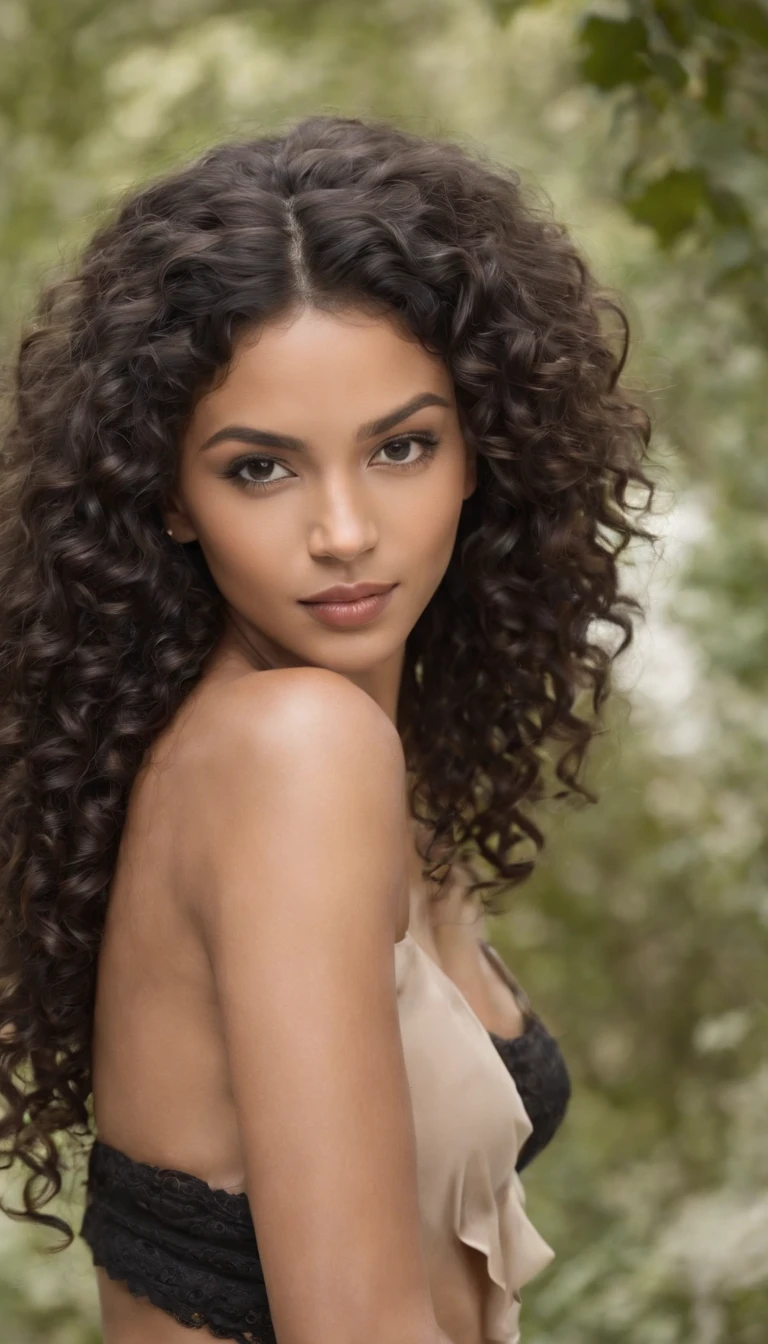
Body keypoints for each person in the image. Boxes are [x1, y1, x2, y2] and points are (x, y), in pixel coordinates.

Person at [0, 114, 654, 1344]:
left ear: (480, 455)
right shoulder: (295, 749)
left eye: (401, 447)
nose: (345, 530)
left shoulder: (358, 764)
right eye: (262, 469)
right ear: (169, 497)